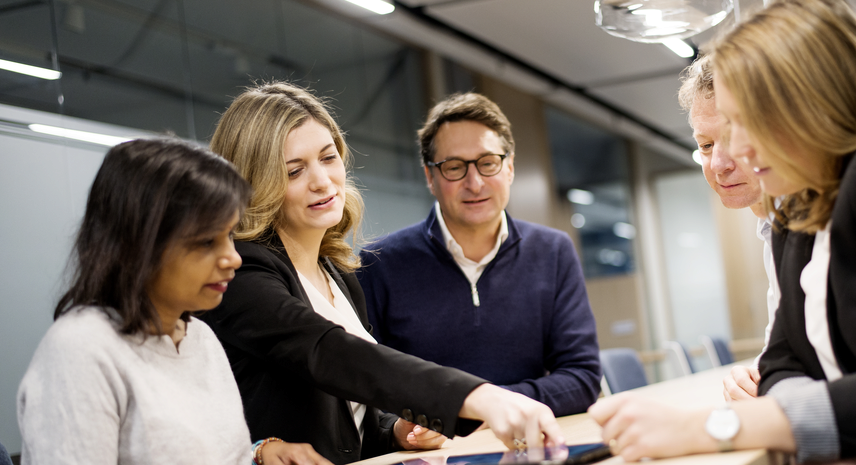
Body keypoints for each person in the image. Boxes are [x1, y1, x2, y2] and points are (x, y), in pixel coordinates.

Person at [589, 0, 856, 465]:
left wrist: (711, 428)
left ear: (809, 105)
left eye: (745, 124)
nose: (737, 153)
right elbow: (783, 362)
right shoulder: (794, 211)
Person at [201, 83, 564, 465]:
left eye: (328, 158)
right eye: (294, 171)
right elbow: (330, 353)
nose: (322, 181)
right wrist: (478, 396)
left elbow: (354, 419)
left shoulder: (337, 273)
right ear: (255, 185)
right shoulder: (241, 272)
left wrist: (395, 430)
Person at [17, 138, 331, 465]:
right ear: (140, 245)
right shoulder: (80, 350)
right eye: (207, 241)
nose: (233, 258)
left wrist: (257, 455)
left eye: (229, 236)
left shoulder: (200, 338)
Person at [357, 92, 601, 417]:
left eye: (488, 163)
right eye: (454, 167)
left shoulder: (553, 251)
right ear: (430, 177)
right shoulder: (377, 263)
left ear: (510, 168)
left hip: (528, 440)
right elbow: (366, 388)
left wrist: (485, 407)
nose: (474, 183)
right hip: (434, 451)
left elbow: (582, 379)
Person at [678, 55, 779, 401]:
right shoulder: (771, 228)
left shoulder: (818, 222)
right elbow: (786, 348)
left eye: (734, 138)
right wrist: (756, 373)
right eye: (705, 146)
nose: (718, 165)